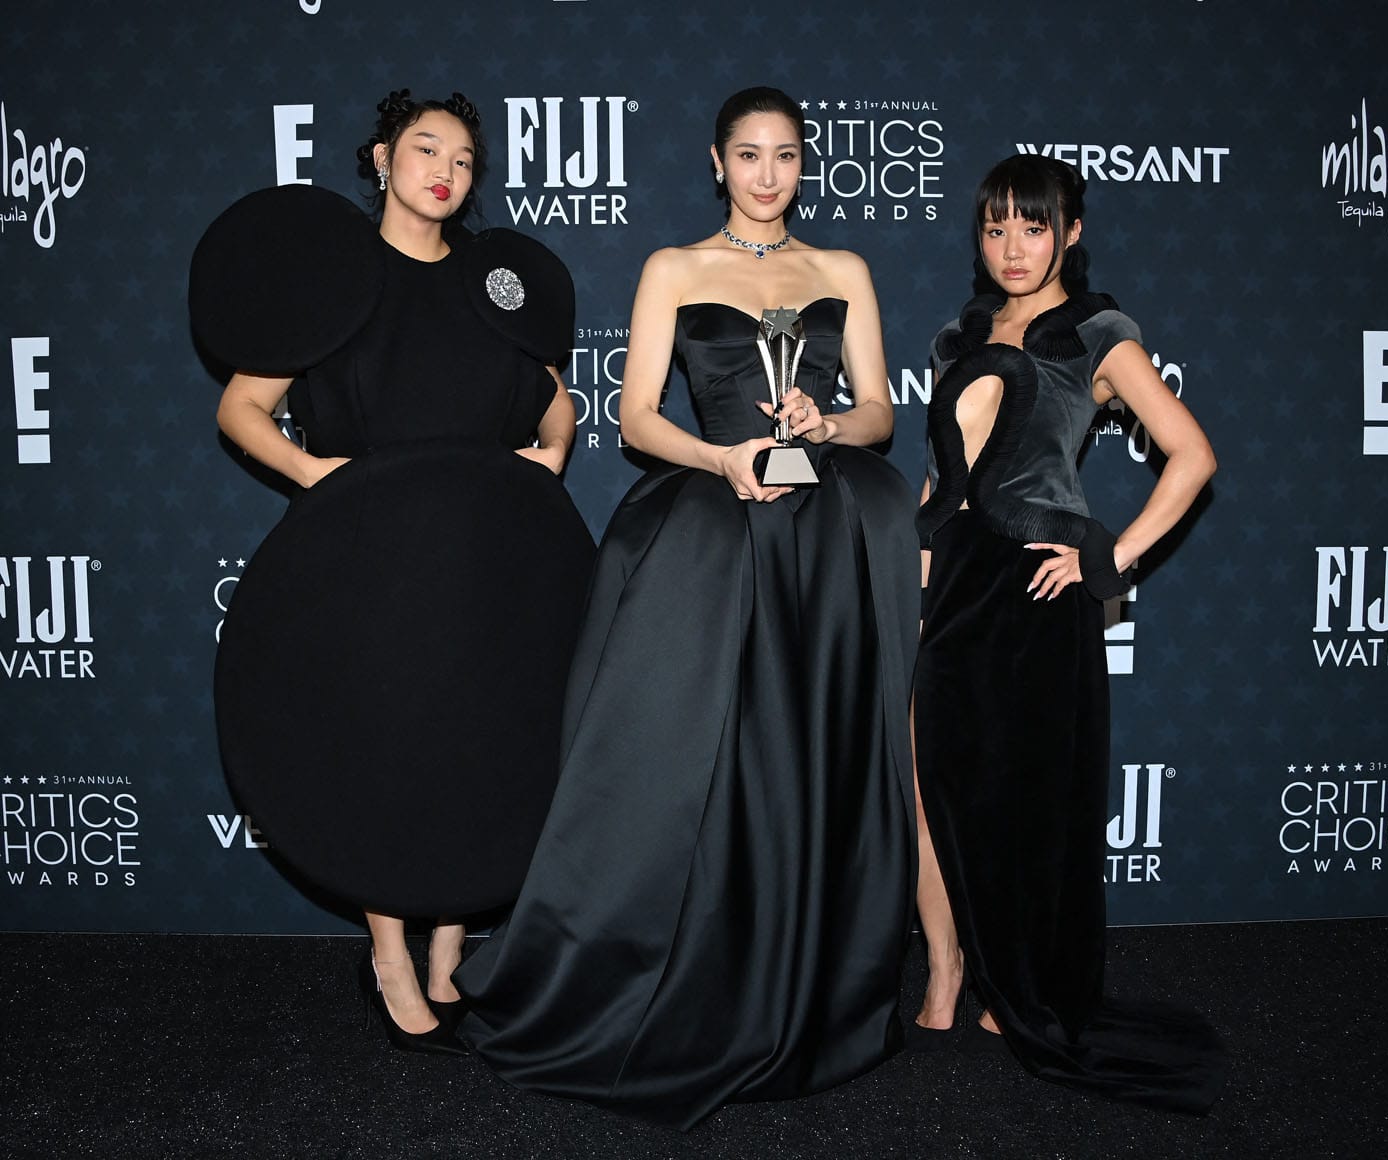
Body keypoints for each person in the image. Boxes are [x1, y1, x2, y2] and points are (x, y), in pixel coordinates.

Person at [456, 85, 920, 1129]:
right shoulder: (674, 267)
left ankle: (807, 973)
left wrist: (827, 423)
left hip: (823, 533)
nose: (768, 174)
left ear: (806, 163)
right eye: (748, 154)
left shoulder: (843, 269)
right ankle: (669, 966)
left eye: (786, 155)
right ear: (717, 162)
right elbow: (634, 418)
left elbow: (881, 413)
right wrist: (722, 456)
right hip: (718, 517)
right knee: (700, 755)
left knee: (810, 753)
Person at [192, 90, 593, 1054]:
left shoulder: (493, 281)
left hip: (482, 569)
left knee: (477, 748)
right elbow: (240, 408)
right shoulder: (331, 277)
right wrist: (311, 474)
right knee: (383, 751)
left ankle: (450, 949)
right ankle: (390, 958)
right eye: (425, 148)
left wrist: (547, 459)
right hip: (364, 563)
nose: (444, 170)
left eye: (462, 158)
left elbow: (557, 403)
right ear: (381, 159)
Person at [908, 154, 1227, 1112]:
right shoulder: (959, 336)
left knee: (1024, 801)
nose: (1013, 247)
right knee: (928, 789)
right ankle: (947, 971)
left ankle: (1020, 985)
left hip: (1037, 592)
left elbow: (1192, 454)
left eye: (1034, 226)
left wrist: (1108, 559)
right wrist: (915, 576)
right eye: (995, 227)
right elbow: (940, 479)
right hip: (951, 581)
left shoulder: (1095, 334)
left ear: (1070, 233)